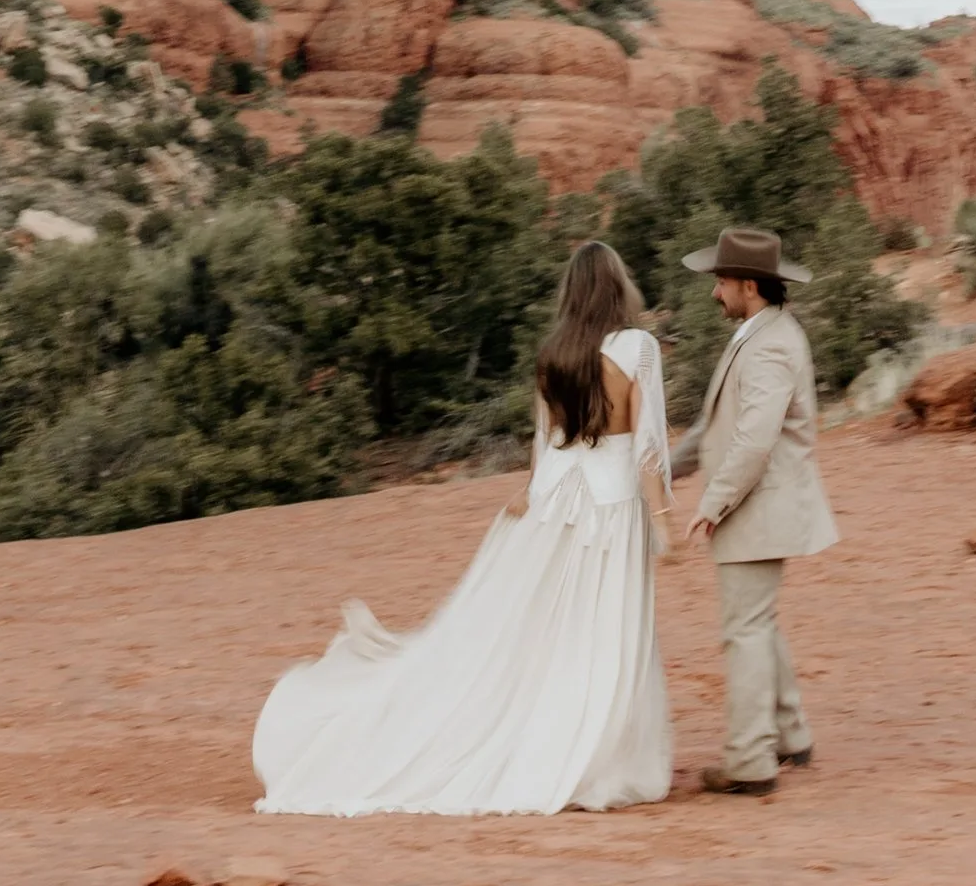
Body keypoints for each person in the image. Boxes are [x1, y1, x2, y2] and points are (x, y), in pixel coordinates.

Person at [251, 237, 673, 816]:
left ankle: (541, 738)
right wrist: (663, 517)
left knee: (540, 633)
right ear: (616, 288)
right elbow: (647, 445)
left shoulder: (553, 353)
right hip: (612, 508)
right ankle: (595, 753)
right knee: (600, 628)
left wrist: (530, 498)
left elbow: (544, 443)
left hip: (556, 508)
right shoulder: (639, 347)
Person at [673, 223, 838, 796]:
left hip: (757, 508)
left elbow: (754, 441)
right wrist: (666, 470)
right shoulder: (760, 330)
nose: (714, 292)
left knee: (743, 630)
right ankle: (791, 735)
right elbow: (715, 427)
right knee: (758, 623)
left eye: (720, 282)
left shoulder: (769, 343)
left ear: (747, 284)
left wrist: (712, 504)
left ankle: (749, 761)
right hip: (761, 506)